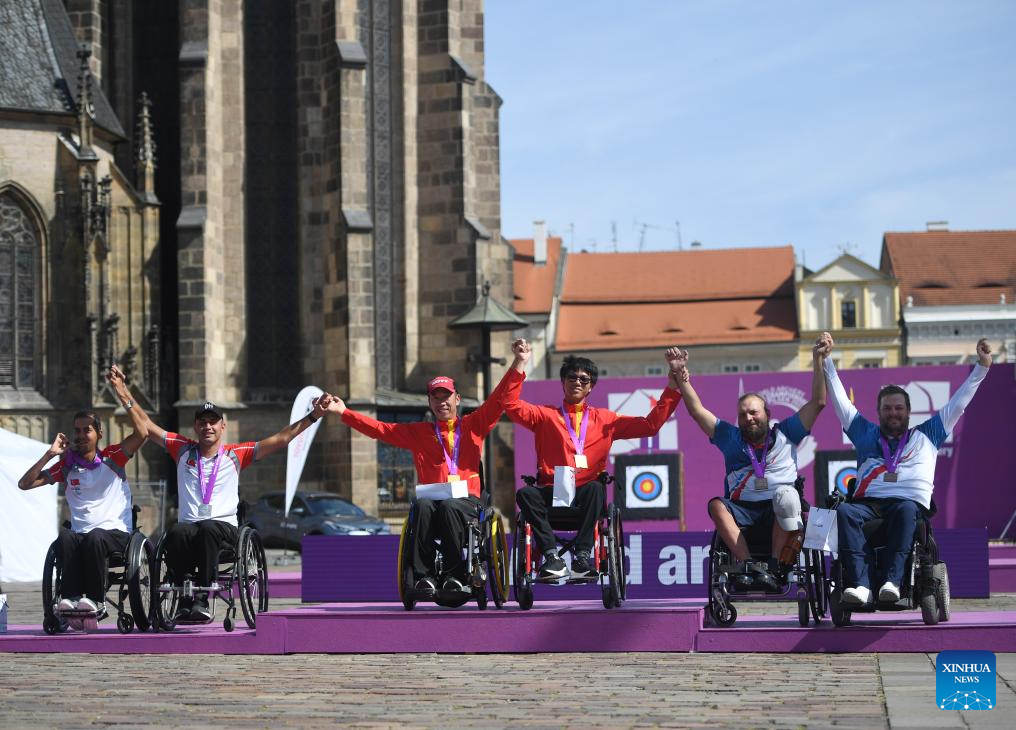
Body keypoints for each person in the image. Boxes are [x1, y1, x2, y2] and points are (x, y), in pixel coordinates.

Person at [126, 367, 334, 620]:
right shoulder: (182, 450)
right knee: (177, 531)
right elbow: (146, 425)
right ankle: (184, 597)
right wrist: (122, 391)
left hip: (222, 529)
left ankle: (202, 598)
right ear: (195, 426)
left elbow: (280, 439)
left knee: (208, 528)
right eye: (202, 422)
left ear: (222, 426)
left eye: (212, 422)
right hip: (189, 527)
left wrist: (313, 416)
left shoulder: (236, 454)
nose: (207, 426)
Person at [326, 339, 531, 596]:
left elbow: (499, 398)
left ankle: (455, 574)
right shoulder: (419, 432)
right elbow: (380, 429)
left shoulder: (474, 424)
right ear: (430, 402)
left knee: (449, 506)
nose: (442, 402)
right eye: (436, 397)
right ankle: (424, 577)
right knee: (421, 506)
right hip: (432, 503)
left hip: (467, 504)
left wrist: (519, 362)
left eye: (447, 396)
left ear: (457, 399)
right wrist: (344, 412)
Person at [822, 332, 993, 607]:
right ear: (878, 412)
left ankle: (892, 582)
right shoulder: (865, 433)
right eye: (887, 408)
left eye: (898, 408)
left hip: (908, 506)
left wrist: (982, 367)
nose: (893, 413)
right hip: (869, 505)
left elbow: (959, 403)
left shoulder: (928, 434)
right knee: (843, 511)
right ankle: (861, 586)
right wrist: (826, 360)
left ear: (909, 411)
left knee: (905, 508)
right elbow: (840, 400)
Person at [507, 350, 682, 581]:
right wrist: (520, 362)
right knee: (525, 494)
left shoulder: (606, 420)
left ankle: (582, 558)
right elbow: (509, 404)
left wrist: (673, 386)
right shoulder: (544, 416)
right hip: (552, 491)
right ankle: (552, 557)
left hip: (585, 496)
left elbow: (650, 425)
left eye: (584, 379)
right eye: (572, 377)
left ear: (591, 387)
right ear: (563, 382)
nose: (577, 382)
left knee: (596, 488)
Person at [671, 341, 827, 589]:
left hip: (779, 507)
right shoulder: (730, 438)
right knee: (716, 505)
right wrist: (681, 376)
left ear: (767, 414)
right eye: (743, 415)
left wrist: (818, 360)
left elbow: (818, 402)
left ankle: (774, 568)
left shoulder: (788, 432)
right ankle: (749, 565)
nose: (748, 418)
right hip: (743, 508)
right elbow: (697, 411)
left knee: (786, 496)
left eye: (754, 412)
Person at [18, 366, 147, 616]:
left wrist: (121, 391)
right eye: (76, 430)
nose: (80, 435)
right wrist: (49, 454)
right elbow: (25, 484)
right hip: (81, 536)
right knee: (65, 537)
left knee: (95, 537)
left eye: (86, 430)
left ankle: (97, 601)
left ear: (99, 434)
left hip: (114, 534)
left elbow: (142, 432)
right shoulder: (67, 466)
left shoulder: (113, 457)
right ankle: (71, 598)